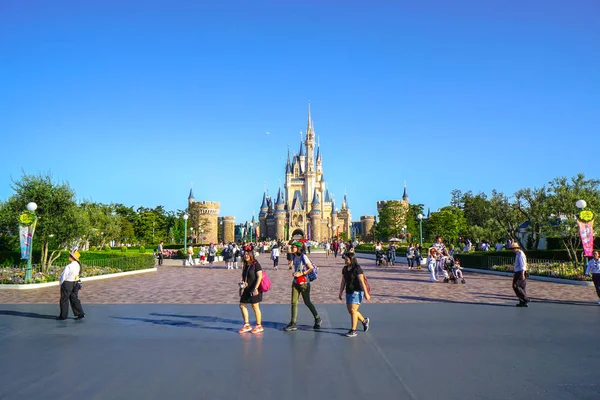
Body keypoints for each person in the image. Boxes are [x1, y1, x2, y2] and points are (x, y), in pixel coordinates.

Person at [283, 241, 322, 332]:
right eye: (292, 247)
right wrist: (293, 271)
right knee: (293, 302)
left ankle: (317, 318)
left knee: (307, 302)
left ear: (298, 248)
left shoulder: (303, 257)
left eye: (293, 247)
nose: (292, 248)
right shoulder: (293, 256)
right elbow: (293, 267)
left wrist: (301, 273)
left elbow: (311, 268)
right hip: (295, 282)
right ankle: (293, 322)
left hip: (304, 282)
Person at [339, 252, 370, 337]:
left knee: (353, 310)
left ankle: (353, 330)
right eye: (345, 259)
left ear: (351, 259)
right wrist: (340, 292)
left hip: (357, 291)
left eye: (347, 259)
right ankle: (364, 321)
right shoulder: (345, 269)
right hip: (349, 291)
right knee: (351, 311)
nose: (345, 260)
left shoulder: (357, 268)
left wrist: (366, 293)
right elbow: (343, 281)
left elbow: (361, 281)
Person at [238, 248, 264, 333]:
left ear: (251, 255)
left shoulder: (256, 264)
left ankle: (259, 325)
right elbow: (244, 276)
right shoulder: (245, 265)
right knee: (242, 305)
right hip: (247, 288)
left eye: (247, 254)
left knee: (255, 306)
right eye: (244, 254)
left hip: (254, 288)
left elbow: (260, 276)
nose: (246, 256)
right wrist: (242, 282)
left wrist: (256, 288)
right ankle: (247, 325)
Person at [57, 250, 85, 320]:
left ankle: (63, 316)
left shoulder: (69, 266)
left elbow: (63, 276)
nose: (69, 257)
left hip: (67, 283)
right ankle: (80, 313)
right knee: (74, 298)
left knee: (64, 299)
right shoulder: (78, 265)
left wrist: (60, 283)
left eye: (70, 256)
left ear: (72, 257)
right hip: (75, 283)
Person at [510, 242, 529, 307]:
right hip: (518, 272)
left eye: (513, 248)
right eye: (511, 249)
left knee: (516, 286)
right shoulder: (517, 254)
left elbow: (523, 264)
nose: (512, 250)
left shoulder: (520, 254)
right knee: (521, 287)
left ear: (517, 248)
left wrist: (522, 273)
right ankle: (522, 301)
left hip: (520, 272)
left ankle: (525, 299)